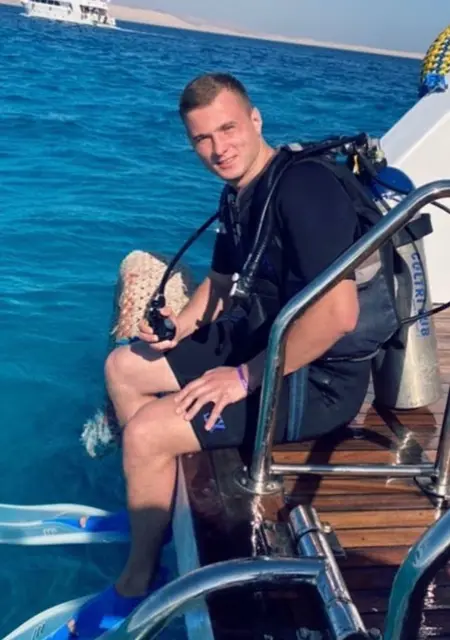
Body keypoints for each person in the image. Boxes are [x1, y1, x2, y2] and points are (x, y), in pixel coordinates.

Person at [59, 72, 372, 637]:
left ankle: (138, 580)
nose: (218, 148)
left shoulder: (304, 188)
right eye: (202, 138)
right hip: (258, 341)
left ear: (256, 119)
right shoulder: (240, 192)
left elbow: (337, 316)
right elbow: (223, 284)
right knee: (124, 367)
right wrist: (176, 328)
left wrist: (243, 378)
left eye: (228, 129)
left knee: (148, 432)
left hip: (316, 377)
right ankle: (151, 508)